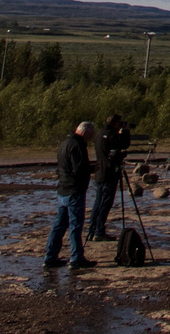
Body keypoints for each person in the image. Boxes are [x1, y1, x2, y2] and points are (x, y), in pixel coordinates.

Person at [45, 121, 97, 269]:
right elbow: (79, 169)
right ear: (85, 133)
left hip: (63, 189)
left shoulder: (64, 143)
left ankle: (50, 256)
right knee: (75, 225)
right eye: (90, 136)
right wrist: (93, 169)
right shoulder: (77, 145)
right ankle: (76, 258)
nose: (89, 139)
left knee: (59, 225)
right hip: (74, 190)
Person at [85, 114, 131, 242]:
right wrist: (126, 131)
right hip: (108, 173)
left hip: (101, 172)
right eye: (120, 123)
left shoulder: (101, 133)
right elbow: (124, 143)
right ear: (115, 123)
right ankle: (98, 231)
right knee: (105, 203)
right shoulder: (110, 134)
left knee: (98, 203)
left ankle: (92, 230)